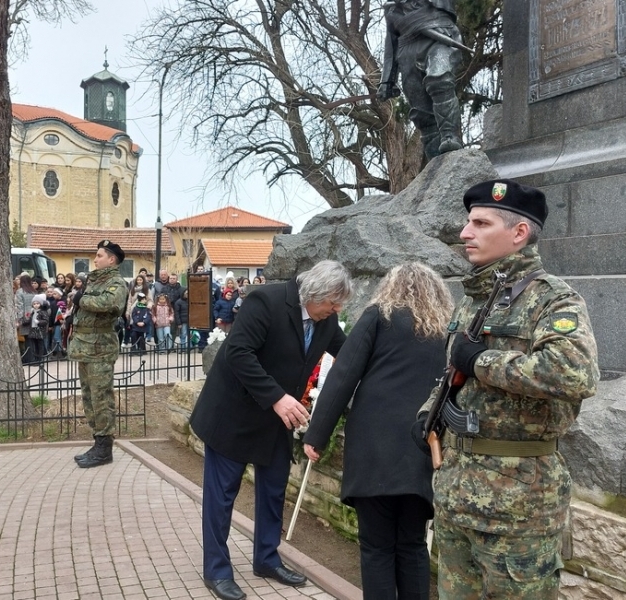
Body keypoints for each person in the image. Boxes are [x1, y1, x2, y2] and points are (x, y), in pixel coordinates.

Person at [413, 179, 599, 597]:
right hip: (458, 496)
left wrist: (482, 361)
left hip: (518, 508)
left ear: (518, 234)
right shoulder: (473, 299)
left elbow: (574, 372)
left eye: (480, 223)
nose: (465, 233)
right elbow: (452, 374)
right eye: (468, 223)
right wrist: (430, 411)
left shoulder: (554, 300)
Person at [189, 260, 353, 600]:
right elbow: (238, 352)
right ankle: (217, 571)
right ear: (315, 293)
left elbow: (349, 353)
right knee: (221, 499)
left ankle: (266, 559)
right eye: (332, 303)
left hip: (276, 421)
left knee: (273, 492)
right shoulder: (266, 301)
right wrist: (278, 398)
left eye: (339, 306)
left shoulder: (327, 319)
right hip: (234, 416)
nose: (336, 310)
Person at [304, 262, 454, 599]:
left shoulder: (378, 316)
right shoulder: (444, 328)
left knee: (376, 548)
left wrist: (317, 435)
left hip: (373, 450)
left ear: (391, 287)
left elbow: (344, 375)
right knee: (413, 545)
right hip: (420, 447)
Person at [378, 0, 464, 160]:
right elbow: (391, 40)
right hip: (407, 48)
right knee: (421, 111)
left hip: (440, 34)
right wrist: (387, 79)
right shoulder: (391, 7)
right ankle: (435, 160)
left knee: (439, 79)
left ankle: (449, 137)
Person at [69, 240, 129, 469]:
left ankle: (105, 449)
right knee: (89, 398)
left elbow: (110, 304)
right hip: (85, 346)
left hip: (100, 347)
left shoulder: (116, 283)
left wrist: (81, 299)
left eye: (99, 255)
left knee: (101, 398)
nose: (95, 259)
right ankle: (98, 443)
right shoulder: (95, 280)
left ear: (111, 259)